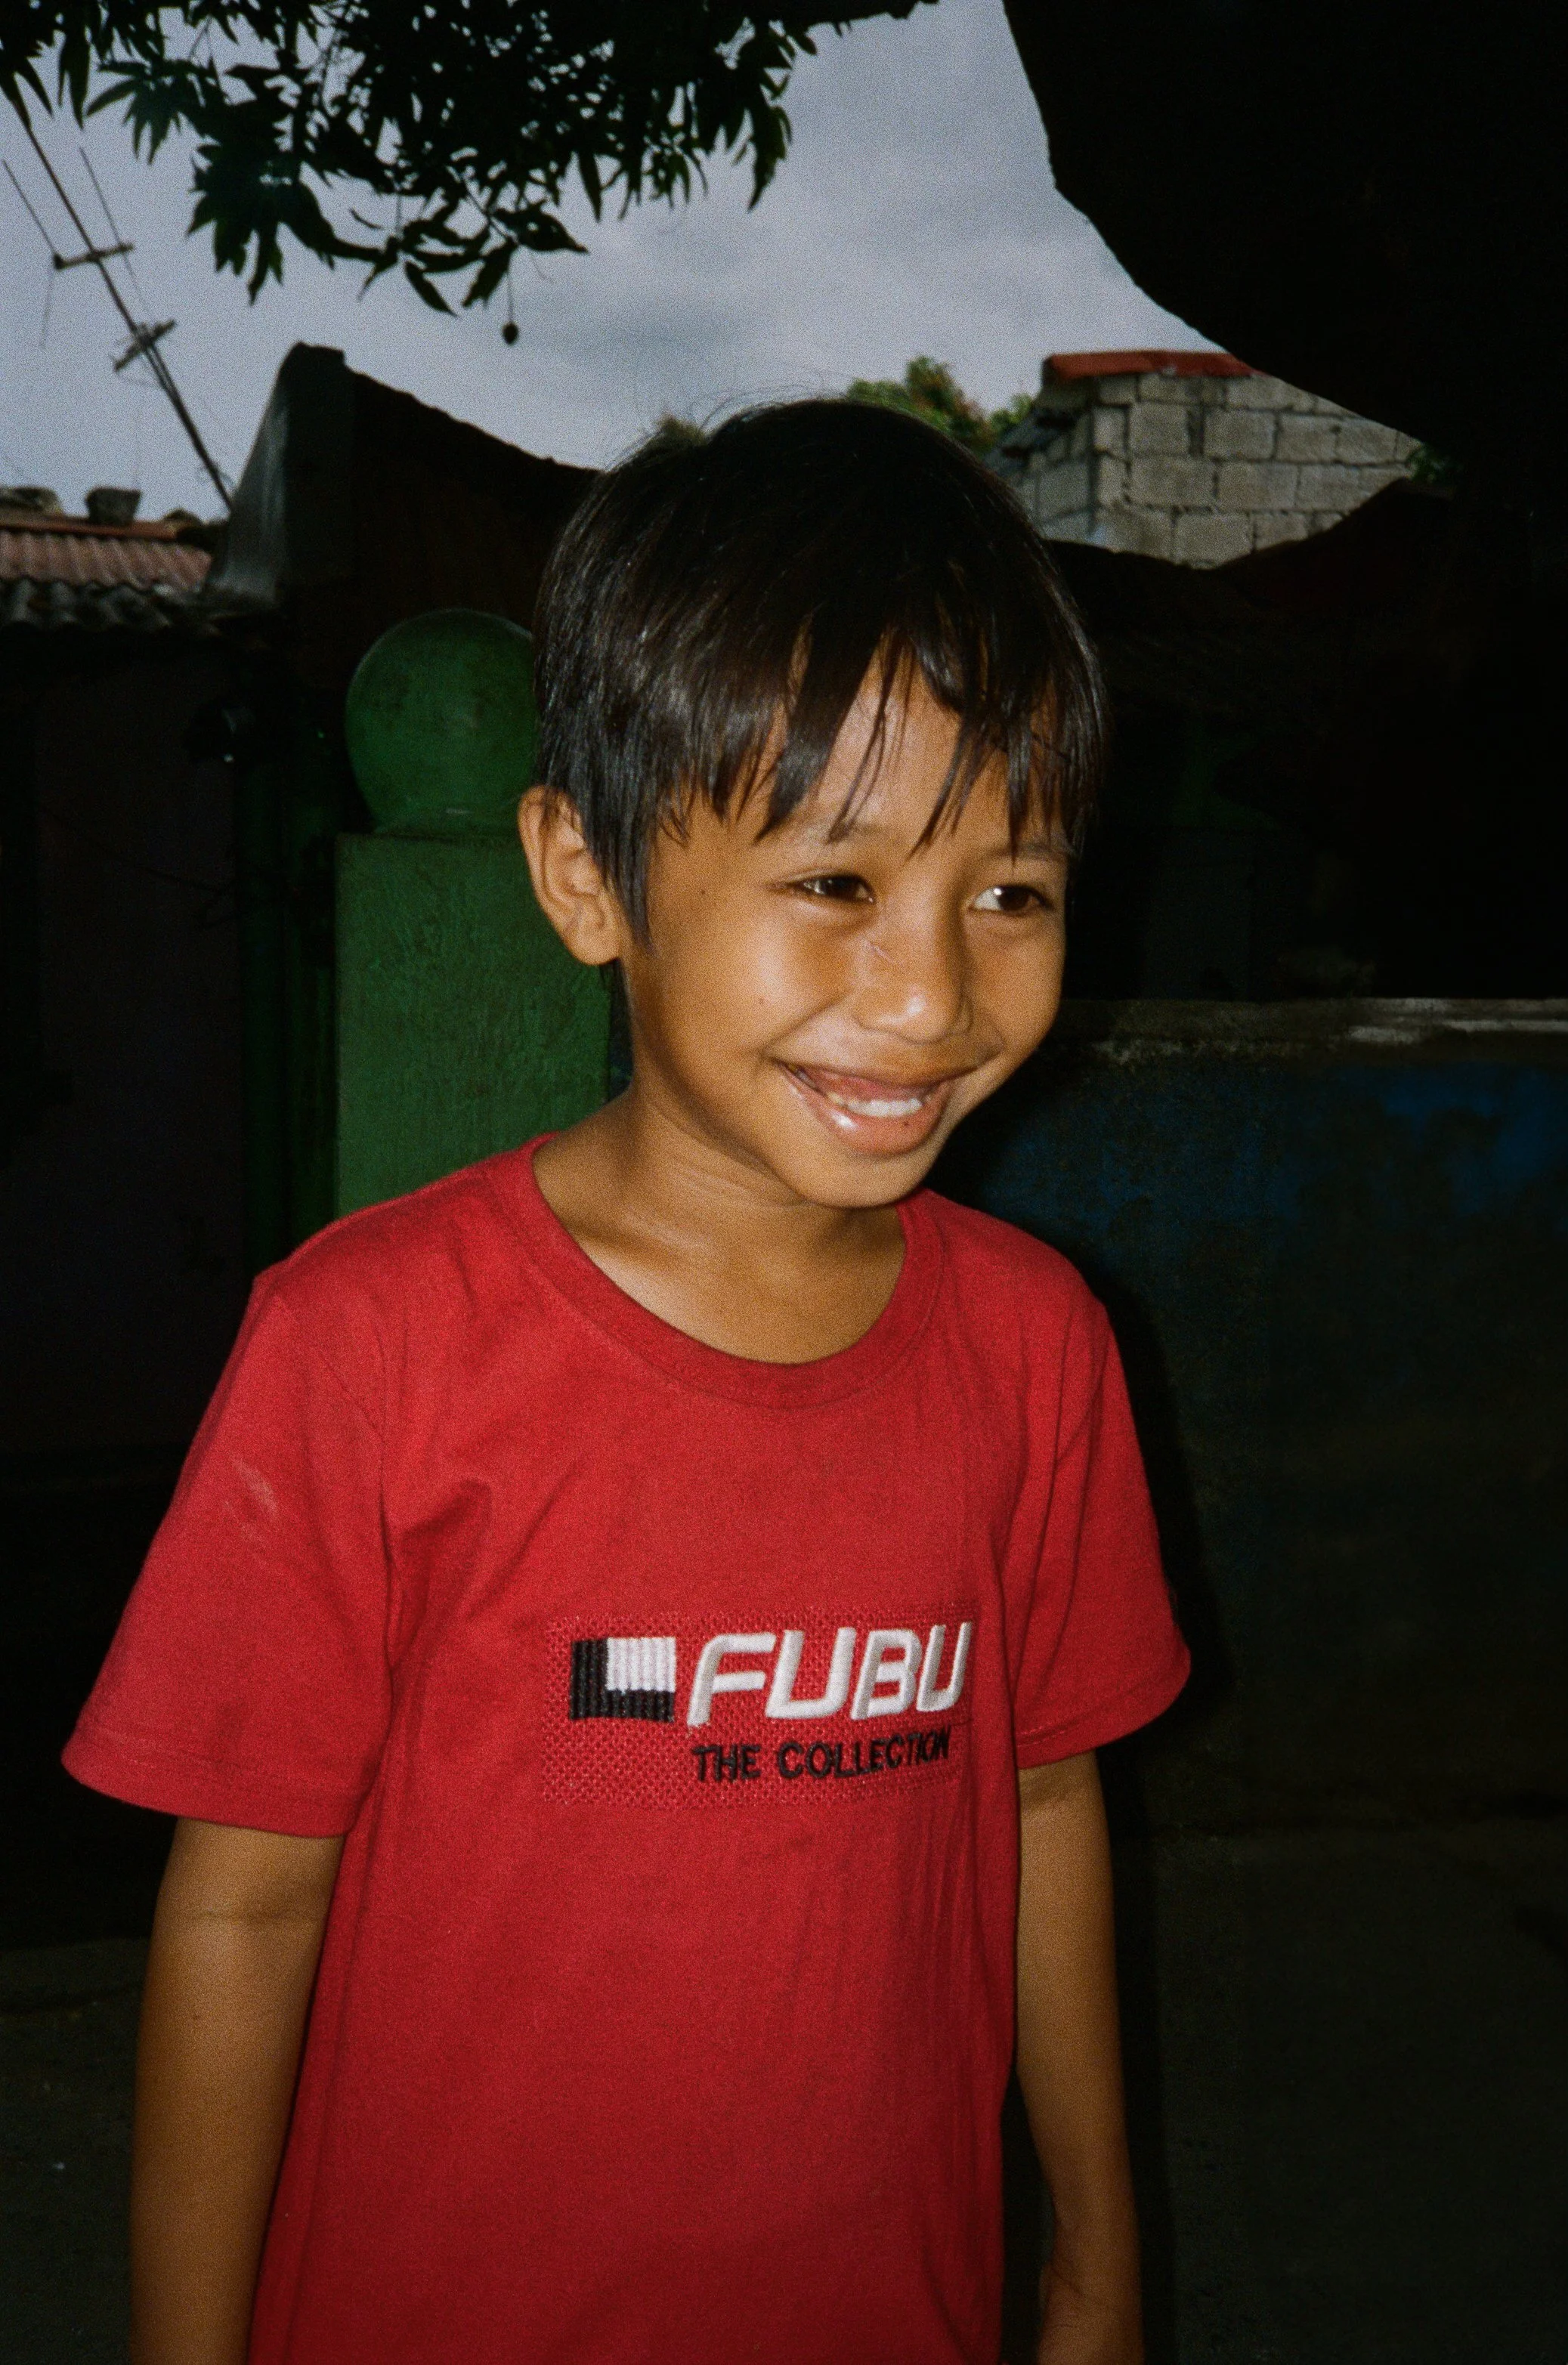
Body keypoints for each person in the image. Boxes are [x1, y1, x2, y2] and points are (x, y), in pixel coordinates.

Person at [66, 399, 1188, 2365]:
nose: (930, 997)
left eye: (1010, 890)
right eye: (835, 884)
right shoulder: (370, 1345)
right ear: (584, 875)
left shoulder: (1038, 1347)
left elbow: (1046, 1805)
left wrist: (1096, 2270)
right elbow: (240, 1906)